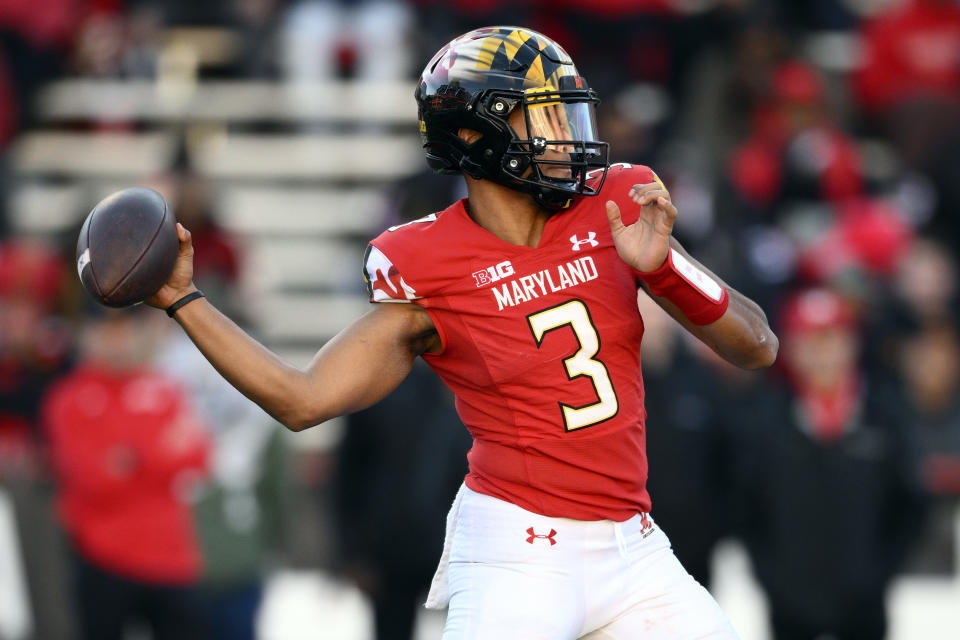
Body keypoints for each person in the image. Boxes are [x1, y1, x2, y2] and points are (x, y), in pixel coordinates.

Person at [143, 26, 778, 639]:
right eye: (546, 119)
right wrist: (184, 300)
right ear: (477, 133)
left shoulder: (613, 206)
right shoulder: (431, 263)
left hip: (634, 544)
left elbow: (758, 345)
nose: (568, 138)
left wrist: (663, 270)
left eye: (567, 116)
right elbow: (302, 400)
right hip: (520, 555)